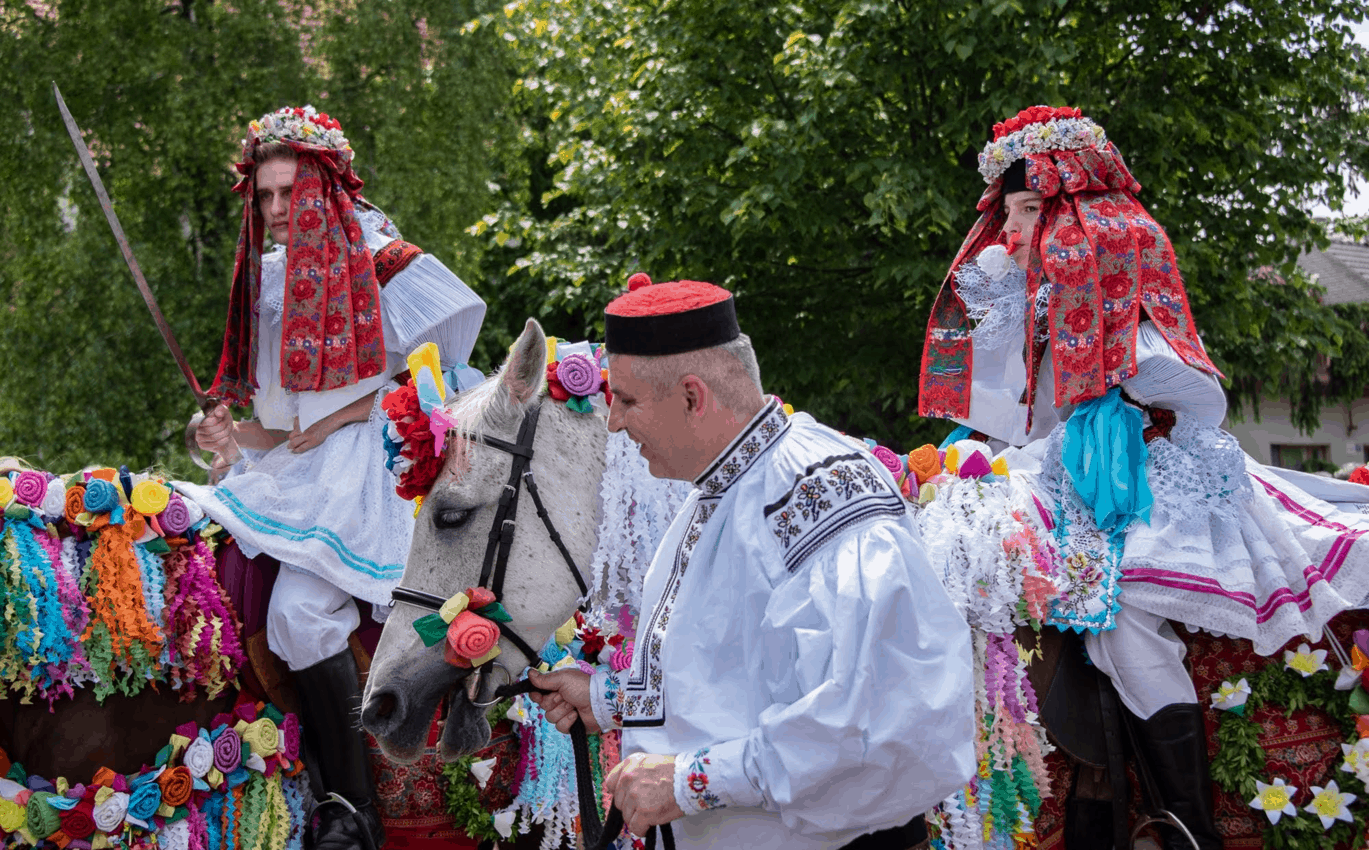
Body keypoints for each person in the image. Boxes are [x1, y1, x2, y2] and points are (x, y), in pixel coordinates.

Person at [920, 105, 1369, 849]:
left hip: (1153, 486)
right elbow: (1016, 419)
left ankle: (1182, 822)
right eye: (1009, 211)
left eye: (1030, 209)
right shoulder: (1026, 300)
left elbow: (1203, 401)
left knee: (1120, 612)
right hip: (1061, 478)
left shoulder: (1126, 299)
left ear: (1075, 216)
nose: (1014, 229)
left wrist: (1123, 400)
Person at [528, 274, 975, 850]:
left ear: (693, 397)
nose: (614, 421)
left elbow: (875, 713)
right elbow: (736, 670)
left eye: (629, 400)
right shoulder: (717, 490)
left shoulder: (819, 490)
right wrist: (608, 700)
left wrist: (689, 783)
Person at [180, 105, 486, 850]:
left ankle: (352, 811)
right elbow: (278, 427)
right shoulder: (267, 281)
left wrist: (347, 415)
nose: (276, 211)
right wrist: (220, 434)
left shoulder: (383, 258)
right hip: (295, 470)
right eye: (263, 197)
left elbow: (440, 376)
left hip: (373, 468)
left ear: (323, 185)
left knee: (296, 616)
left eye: (288, 193)